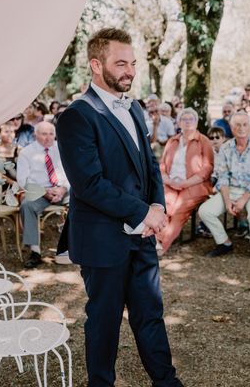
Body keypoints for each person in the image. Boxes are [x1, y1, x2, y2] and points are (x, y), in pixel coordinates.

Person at [56, 28, 182, 387]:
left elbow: (149, 165)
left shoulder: (137, 108)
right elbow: (89, 184)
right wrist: (144, 213)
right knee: (104, 320)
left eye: (133, 63)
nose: (130, 71)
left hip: (142, 237)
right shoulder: (77, 116)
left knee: (150, 314)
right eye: (121, 63)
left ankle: (166, 381)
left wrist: (156, 205)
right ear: (96, 65)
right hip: (102, 239)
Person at [198, 111, 250, 262]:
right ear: (231, 127)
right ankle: (224, 242)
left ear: (249, 126)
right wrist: (227, 200)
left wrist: (243, 199)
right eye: (237, 125)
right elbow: (222, 176)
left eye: (244, 124)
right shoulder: (226, 148)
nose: (241, 128)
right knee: (205, 211)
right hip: (230, 189)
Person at [158, 108, 214, 253]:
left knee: (178, 211)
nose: (188, 122)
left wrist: (185, 183)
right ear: (179, 122)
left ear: (196, 122)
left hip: (194, 185)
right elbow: (162, 165)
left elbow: (208, 168)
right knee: (163, 207)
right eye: (184, 119)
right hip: (170, 183)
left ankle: (160, 246)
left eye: (191, 119)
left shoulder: (203, 141)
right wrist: (167, 180)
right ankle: (154, 240)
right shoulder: (172, 141)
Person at [17, 121, 70, 268]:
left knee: (82, 201)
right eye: (44, 134)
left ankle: (71, 246)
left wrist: (63, 189)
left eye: (51, 134)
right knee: (27, 205)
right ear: (36, 135)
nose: (48, 138)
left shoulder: (62, 148)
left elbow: (71, 173)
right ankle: (35, 252)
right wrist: (45, 192)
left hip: (61, 189)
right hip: (39, 191)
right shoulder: (26, 153)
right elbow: (23, 180)